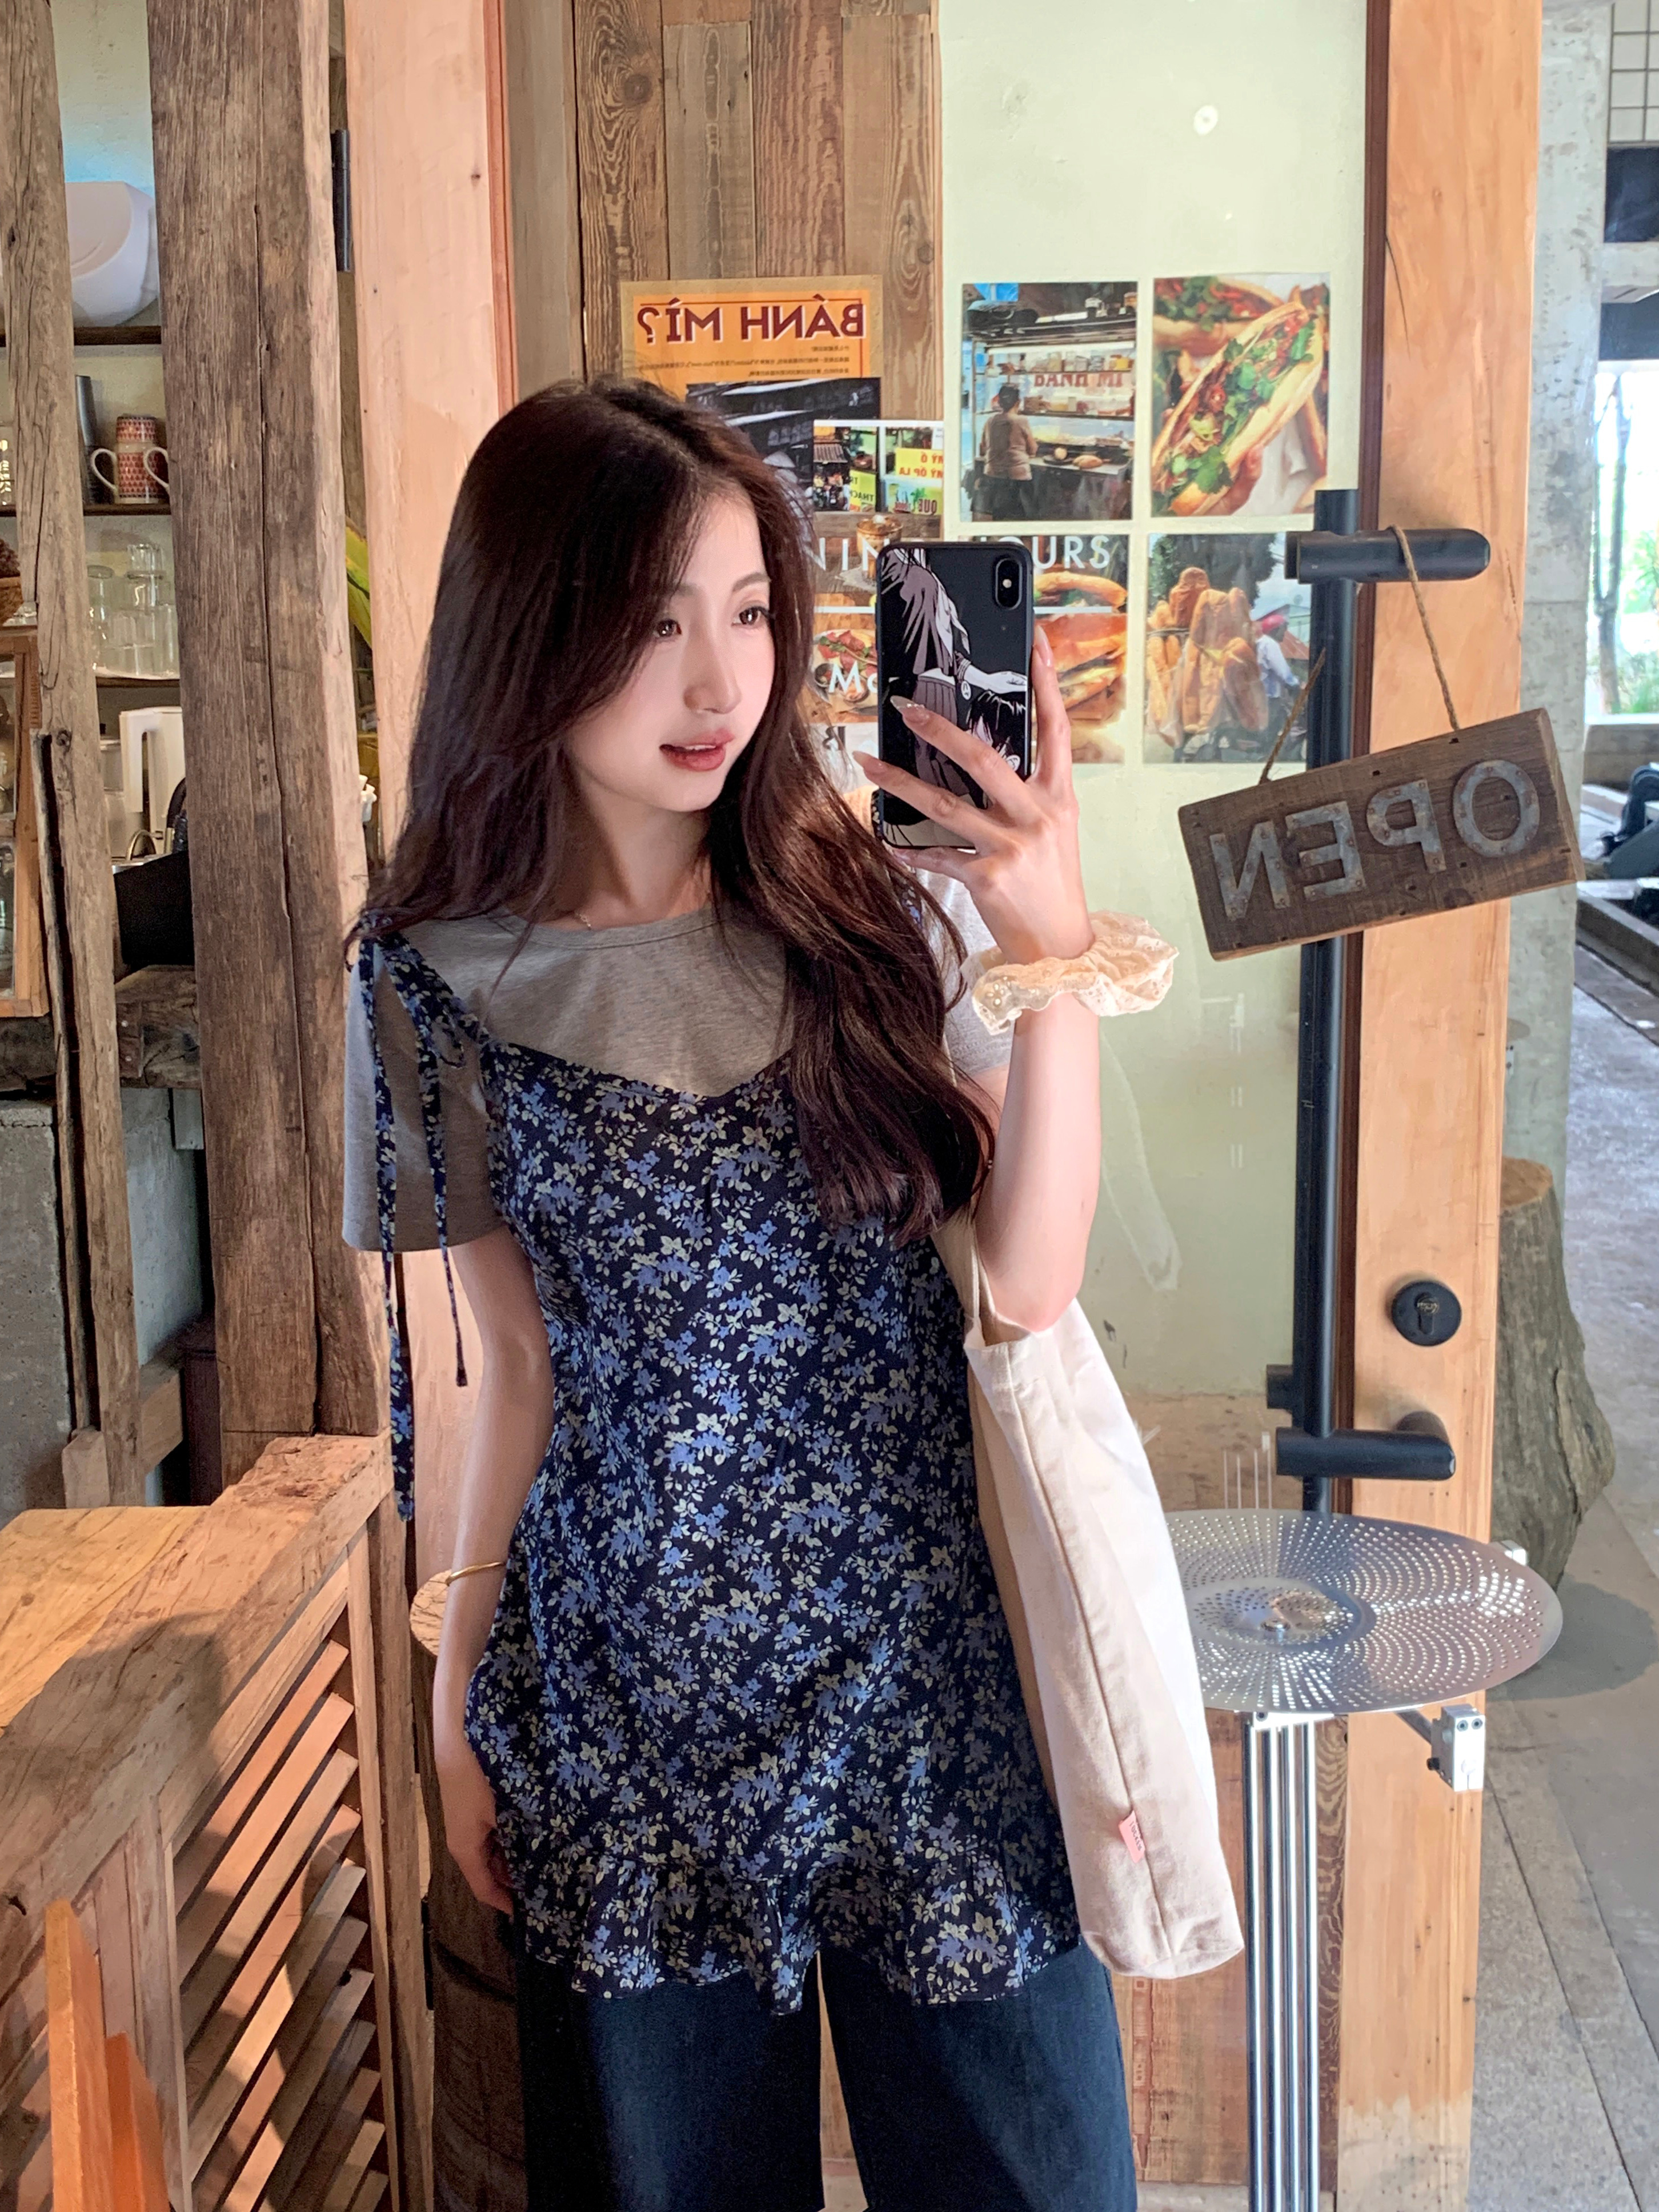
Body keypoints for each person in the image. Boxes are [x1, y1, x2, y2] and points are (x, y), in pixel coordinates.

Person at [343, 379, 1135, 2212]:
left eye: (751, 611)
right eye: (650, 623)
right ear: (527, 633)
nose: (719, 681)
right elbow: (511, 1368)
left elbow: (1027, 1284)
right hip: (626, 1718)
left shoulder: (875, 909)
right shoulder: (426, 979)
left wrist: (1051, 950)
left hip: (929, 1690)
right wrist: (453, 1701)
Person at [976, 381, 1039, 522]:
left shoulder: (990, 421)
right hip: (1018, 478)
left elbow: (982, 449)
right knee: (1022, 517)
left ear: (999, 402)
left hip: (993, 476)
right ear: (1018, 402)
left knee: (999, 516)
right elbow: (1033, 449)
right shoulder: (1021, 420)